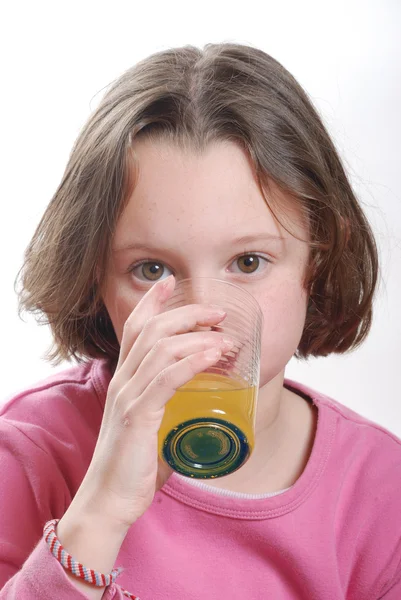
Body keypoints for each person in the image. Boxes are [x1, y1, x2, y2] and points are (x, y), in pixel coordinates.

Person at [0, 42, 400, 600]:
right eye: (152, 268)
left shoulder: (382, 494)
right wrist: (100, 513)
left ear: (322, 255)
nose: (204, 318)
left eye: (249, 262)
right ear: (94, 277)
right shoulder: (30, 452)